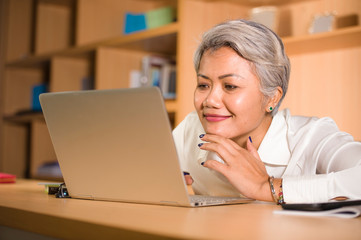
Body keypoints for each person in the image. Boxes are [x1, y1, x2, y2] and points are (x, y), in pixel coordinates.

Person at [172, 19, 361, 204]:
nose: (210, 100)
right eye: (203, 85)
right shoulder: (190, 128)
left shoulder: (311, 136)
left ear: (272, 98)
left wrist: (266, 187)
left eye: (230, 86)